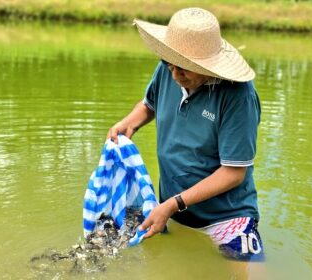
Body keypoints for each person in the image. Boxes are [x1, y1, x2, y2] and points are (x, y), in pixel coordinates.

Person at [108, 7, 264, 264]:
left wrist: (173, 204)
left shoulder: (239, 96)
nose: (175, 75)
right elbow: (150, 104)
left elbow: (234, 172)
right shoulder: (169, 69)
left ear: (208, 66)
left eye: (185, 69)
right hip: (171, 210)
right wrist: (130, 124)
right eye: (171, 64)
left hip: (226, 216)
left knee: (249, 268)